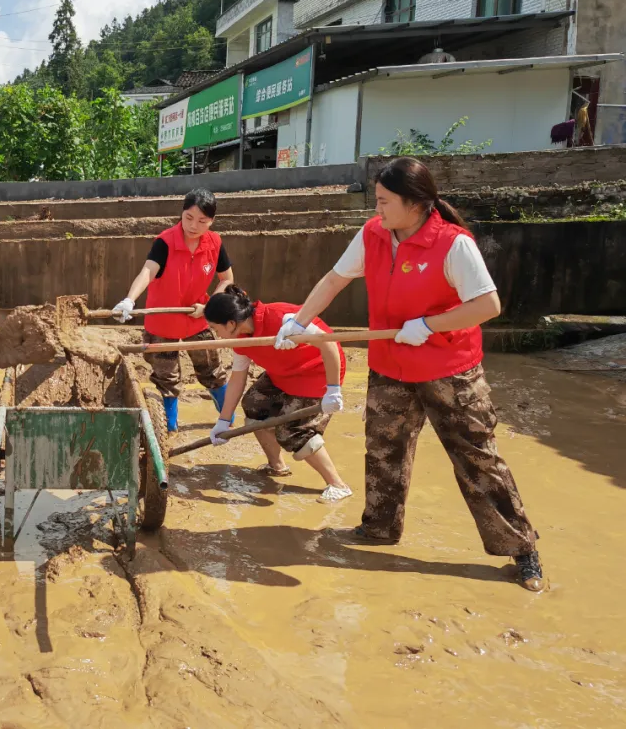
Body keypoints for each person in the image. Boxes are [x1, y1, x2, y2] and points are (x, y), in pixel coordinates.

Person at [275, 156, 544, 591]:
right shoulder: (373, 235)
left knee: (477, 458)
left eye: (384, 201)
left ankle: (522, 549)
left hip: (450, 371)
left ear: (415, 202)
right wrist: (299, 321)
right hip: (390, 368)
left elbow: (487, 306)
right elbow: (334, 278)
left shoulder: (453, 244)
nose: (376, 209)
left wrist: (428, 325)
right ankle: (379, 528)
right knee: (384, 452)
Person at [204, 286, 352, 503]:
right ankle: (277, 466)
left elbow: (328, 343)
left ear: (231, 323)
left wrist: (333, 390)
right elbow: (237, 378)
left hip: (317, 374)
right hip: (282, 374)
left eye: (215, 328)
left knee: (292, 431)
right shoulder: (240, 338)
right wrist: (223, 420)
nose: (216, 334)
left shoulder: (284, 319)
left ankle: (338, 485)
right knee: (254, 405)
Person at [112, 188, 234, 433]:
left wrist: (209, 306)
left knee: (211, 367)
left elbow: (227, 279)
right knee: (167, 375)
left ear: (212, 221)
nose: (194, 225)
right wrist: (129, 300)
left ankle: (226, 412)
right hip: (163, 318)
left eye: (202, 221)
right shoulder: (165, 242)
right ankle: (170, 422)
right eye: (188, 217)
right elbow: (147, 271)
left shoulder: (215, 243)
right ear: (181, 213)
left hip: (197, 315)